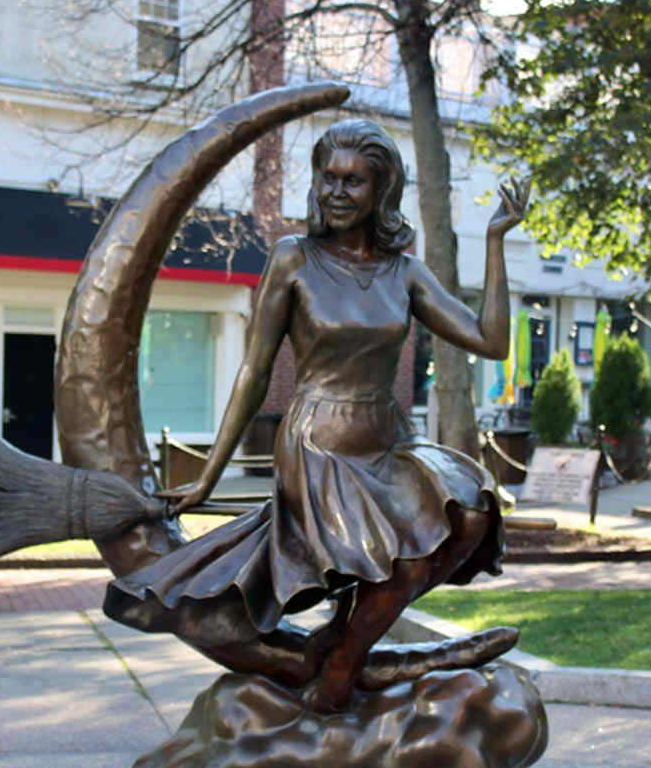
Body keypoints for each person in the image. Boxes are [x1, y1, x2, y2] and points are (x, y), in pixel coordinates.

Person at [104, 118, 529, 712]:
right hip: (318, 446)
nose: (336, 191)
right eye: (327, 177)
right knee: (397, 561)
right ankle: (336, 682)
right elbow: (254, 372)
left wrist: (494, 243)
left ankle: (337, 650)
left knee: (472, 513)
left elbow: (491, 341)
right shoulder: (293, 259)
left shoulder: (403, 271)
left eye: (353, 181)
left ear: (381, 192)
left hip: (388, 441)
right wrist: (210, 472)